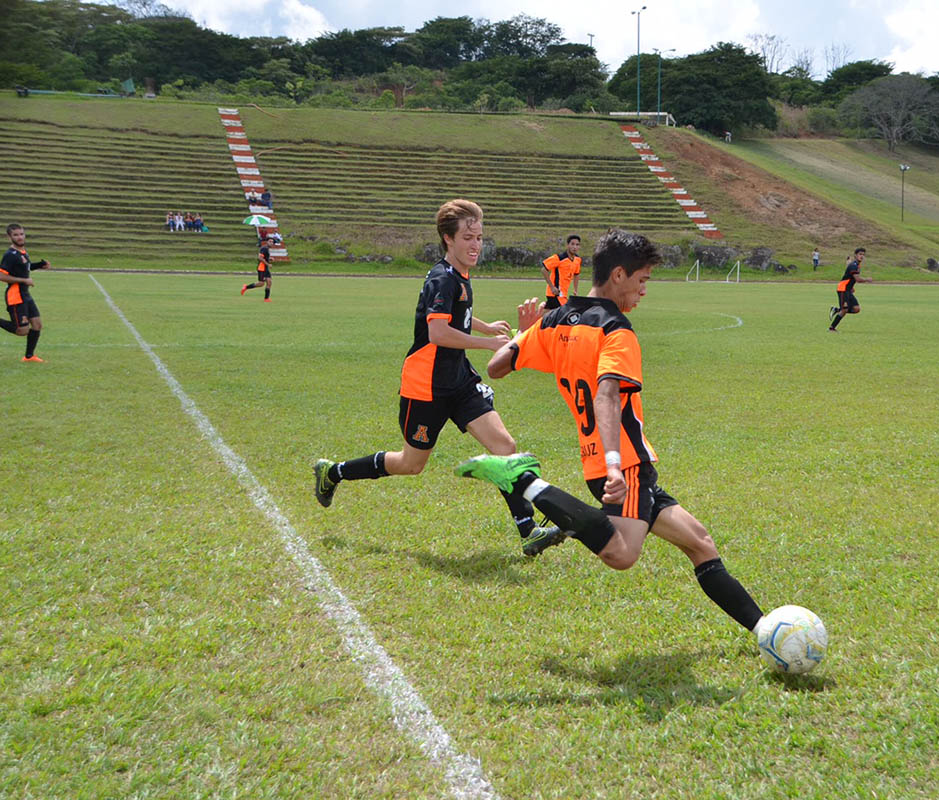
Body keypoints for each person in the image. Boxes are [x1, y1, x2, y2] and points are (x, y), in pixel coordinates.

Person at [454, 228, 767, 639]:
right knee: (621, 553)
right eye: (642, 281)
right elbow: (607, 392)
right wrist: (617, 464)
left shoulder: (557, 319)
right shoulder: (617, 330)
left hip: (600, 462)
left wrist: (525, 335)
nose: (643, 292)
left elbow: (497, 366)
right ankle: (524, 480)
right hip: (623, 464)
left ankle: (765, 630)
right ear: (618, 275)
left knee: (700, 543)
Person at [311, 199, 558, 553]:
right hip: (425, 385)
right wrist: (488, 344)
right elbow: (438, 333)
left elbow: (454, 318)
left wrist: (485, 326)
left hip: (458, 379)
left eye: (480, 237)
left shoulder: (459, 276)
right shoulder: (443, 279)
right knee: (411, 464)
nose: (476, 245)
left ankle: (529, 530)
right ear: (448, 239)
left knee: (504, 447)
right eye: (468, 237)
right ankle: (332, 472)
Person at [0, 223, 51, 362]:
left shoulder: (22, 252)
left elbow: (25, 267)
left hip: (25, 295)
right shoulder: (10, 255)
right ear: (9, 237)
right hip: (15, 295)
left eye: (21, 234)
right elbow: (1, 276)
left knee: (37, 325)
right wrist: (24, 280)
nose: (20, 237)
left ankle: (29, 356)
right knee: (22, 331)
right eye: (16, 235)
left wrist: (40, 265)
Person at [829, 247, 872, 332]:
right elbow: (858, 279)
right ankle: (832, 328)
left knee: (856, 309)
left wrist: (851, 287)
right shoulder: (853, 265)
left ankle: (836, 310)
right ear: (855, 255)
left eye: (863, 255)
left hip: (847, 289)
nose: (862, 256)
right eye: (860, 254)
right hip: (842, 289)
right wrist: (867, 279)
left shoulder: (857, 265)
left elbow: (849, 277)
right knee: (844, 309)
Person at [540, 234, 582, 311]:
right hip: (555, 294)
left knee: (547, 317)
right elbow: (544, 269)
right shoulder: (559, 258)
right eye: (572, 244)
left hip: (563, 295)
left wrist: (575, 290)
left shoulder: (577, 260)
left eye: (577, 244)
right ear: (567, 245)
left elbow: (576, 274)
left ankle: (534, 321)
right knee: (566, 314)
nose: (574, 247)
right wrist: (552, 287)